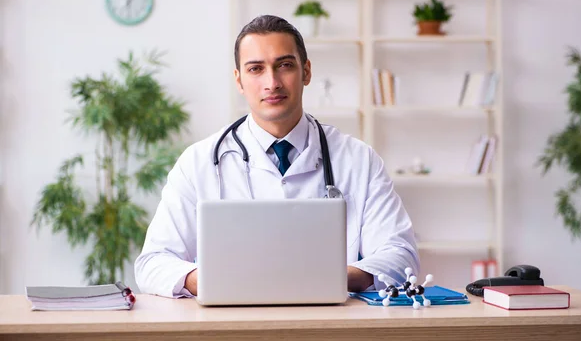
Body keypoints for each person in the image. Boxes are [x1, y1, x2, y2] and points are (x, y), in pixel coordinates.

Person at [134, 15, 420, 298]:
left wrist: (327, 277)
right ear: (239, 80)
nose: (272, 82)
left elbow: (400, 258)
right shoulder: (198, 162)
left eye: (284, 65)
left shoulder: (359, 159)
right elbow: (153, 263)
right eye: (256, 69)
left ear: (306, 72)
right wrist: (211, 280)